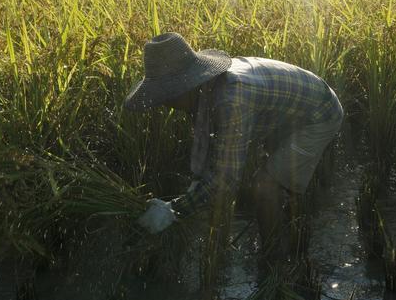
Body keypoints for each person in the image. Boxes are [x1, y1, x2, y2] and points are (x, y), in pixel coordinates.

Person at [126, 32, 343, 270]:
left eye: (167, 97)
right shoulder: (207, 89)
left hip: (317, 114)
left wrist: (174, 210)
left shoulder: (231, 100)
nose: (166, 104)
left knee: (264, 186)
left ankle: (274, 263)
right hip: (285, 114)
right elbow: (215, 154)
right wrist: (195, 189)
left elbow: (226, 179)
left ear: (184, 87)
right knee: (273, 180)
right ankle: (291, 231)